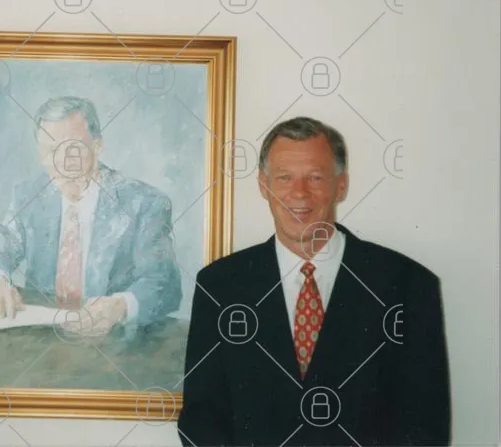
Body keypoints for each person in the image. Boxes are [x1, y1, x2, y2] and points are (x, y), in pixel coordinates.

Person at [177, 116, 450, 446]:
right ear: (263, 185)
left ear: (341, 185)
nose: (299, 193)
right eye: (285, 177)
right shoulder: (219, 286)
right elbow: (201, 419)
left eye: (315, 177)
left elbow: (424, 426)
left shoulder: (408, 286)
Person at [0, 96, 182, 336]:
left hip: (110, 339)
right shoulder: (29, 195)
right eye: (51, 150)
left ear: (97, 145)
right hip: (41, 336)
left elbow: (164, 284)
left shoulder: (143, 203)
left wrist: (120, 306)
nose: (62, 162)